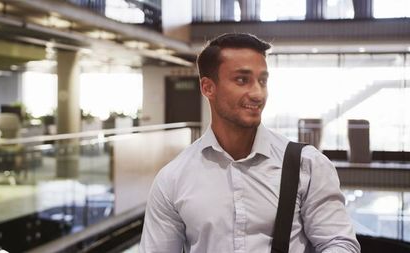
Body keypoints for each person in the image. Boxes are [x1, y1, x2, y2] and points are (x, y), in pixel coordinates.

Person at [139, 33, 360, 253]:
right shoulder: (173, 179)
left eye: (262, 81)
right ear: (208, 87)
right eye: (242, 80)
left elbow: (340, 244)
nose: (257, 93)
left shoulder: (307, 164)